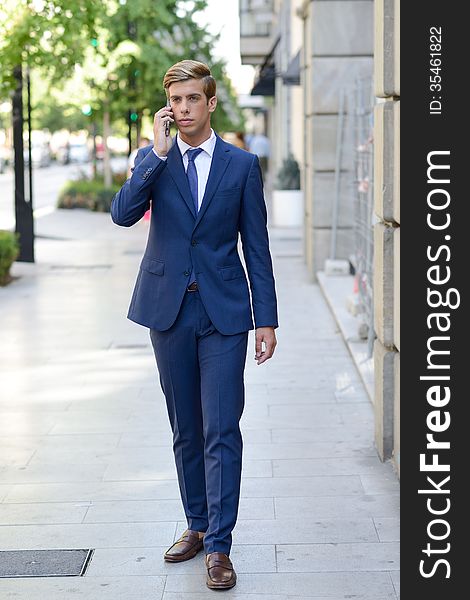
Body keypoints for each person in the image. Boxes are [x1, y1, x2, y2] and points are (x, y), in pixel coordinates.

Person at [111, 60, 278, 591]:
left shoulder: (241, 165)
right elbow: (121, 213)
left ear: (209, 103)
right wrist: (154, 157)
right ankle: (198, 525)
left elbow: (257, 247)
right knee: (186, 427)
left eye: (190, 100)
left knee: (221, 427)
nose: (181, 109)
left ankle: (221, 547)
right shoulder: (153, 159)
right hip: (169, 311)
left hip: (225, 313)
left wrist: (266, 320)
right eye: (174, 100)